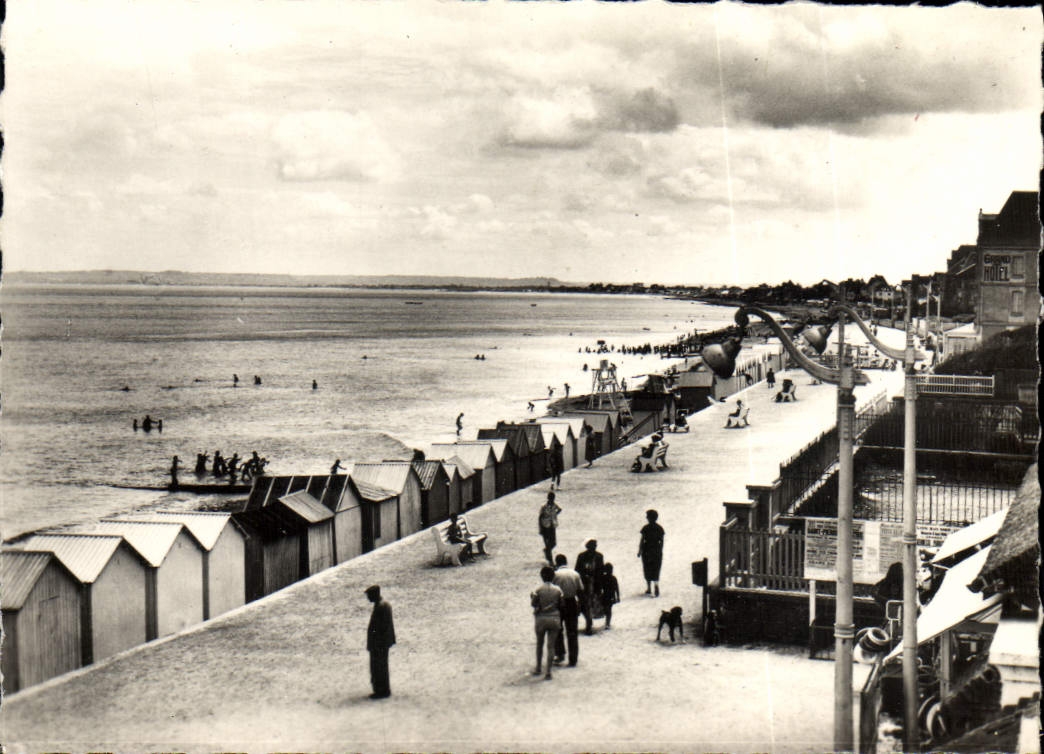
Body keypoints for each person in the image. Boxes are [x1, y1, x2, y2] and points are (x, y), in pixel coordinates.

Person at [530, 566, 563, 680]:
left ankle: (538, 667)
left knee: (540, 644)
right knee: (551, 646)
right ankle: (548, 671)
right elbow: (561, 605)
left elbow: (534, 604)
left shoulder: (538, 590)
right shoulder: (558, 590)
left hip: (541, 619)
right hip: (554, 618)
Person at [552, 554, 583, 667]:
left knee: (558, 630)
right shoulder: (575, 574)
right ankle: (573, 658)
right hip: (571, 603)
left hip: (559, 604)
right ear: (566, 562)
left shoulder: (554, 575)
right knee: (572, 632)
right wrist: (580, 605)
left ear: (557, 563)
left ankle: (560, 654)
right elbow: (580, 591)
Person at [365, 585, 395, 699]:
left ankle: (381, 690)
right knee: (381, 666)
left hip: (379, 643)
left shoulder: (380, 607)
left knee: (379, 666)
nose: (368, 598)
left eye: (369, 596)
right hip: (382, 642)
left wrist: (375, 643)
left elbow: (380, 628)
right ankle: (383, 689)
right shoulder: (384, 605)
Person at [575, 539, 605, 634]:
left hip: (591, 584)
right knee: (586, 604)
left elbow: (600, 572)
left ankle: (589, 622)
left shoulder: (595, 556)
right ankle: (589, 622)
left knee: (588, 604)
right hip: (586, 584)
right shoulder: (597, 556)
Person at [638, 509, 665, 597]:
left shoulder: (645, 528)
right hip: (656, 551)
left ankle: (649, 588)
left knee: (647, 568)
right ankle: (656, 585)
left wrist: (639, 551)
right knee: (656, 568)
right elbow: (662, 541)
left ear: (649, 518)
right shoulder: (660, 528)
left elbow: (642, 540)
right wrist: (660, 551)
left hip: (647, 551)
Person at [538, 492, 562, 565]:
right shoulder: (544, 506)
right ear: (548, 498)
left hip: (552, 526)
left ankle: (547, 552)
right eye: (550, 498)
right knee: (547, 543)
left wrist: (555, 514)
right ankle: (550, 560)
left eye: (552, 498)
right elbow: (540, 517)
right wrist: (540, 528)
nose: (552, 500)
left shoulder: (555, 505)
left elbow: (560, 509)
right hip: (545, 526)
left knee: (553, 543)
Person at [600, 563, 620, 630]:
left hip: (605, 595)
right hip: (611, 596)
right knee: (609, 610)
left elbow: (601, 587)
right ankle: (608, 623)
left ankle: (607, 622)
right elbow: (617, 588)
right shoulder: (613, 578)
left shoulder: (603, 578)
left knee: (606, 609)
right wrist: (618, 596)